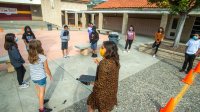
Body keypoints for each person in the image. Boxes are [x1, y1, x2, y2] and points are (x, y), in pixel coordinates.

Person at [87, 41, 120, 112]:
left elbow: (100, 84)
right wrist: (100, 63)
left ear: (108, 50)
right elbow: (109, 72)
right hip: (112, 91)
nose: (100, 49)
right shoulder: (115, 60)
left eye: (102, 48)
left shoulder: (104, 64)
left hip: (102, 94)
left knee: (91, 104)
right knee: (104, 108)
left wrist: (89, 82)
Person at [28, 40, 53, 112]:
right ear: (39, 47)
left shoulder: (30, 56)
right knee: (42, 92)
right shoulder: (42, 57)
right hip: (41, 78)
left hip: (34, 77)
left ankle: (41, 100)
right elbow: (46, 68)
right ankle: (41, 109)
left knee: (38, 91)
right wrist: (50, 75)